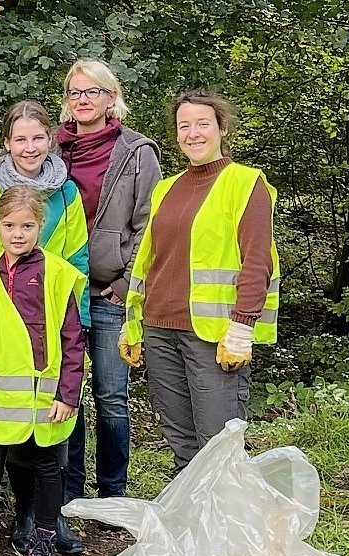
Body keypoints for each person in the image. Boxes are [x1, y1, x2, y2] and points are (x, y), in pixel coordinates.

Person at [119, 90, 279, 472]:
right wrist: (133, 325)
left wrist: (242, 327)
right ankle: (187, 528)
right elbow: (148, 262)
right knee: (181, 441)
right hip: (159, 330)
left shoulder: (245, 183)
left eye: (203, 124)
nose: (193, 133)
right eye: (184, 125)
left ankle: (225, 530)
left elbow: (257, 261)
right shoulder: (165, 189)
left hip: (213, 336)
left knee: (218, 443)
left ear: (222, 129)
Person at [0, 99, 89, 556]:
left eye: (38, 137)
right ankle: (24, 515)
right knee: (9, 438)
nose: (29, 146)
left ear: (51, 139)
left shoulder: (65, 191)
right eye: (20, 138)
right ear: (7, 143)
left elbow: (78, 253)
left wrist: (65, 307)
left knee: (54, 434)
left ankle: (52, 516)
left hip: (55, 317)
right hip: (5, 337)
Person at [0, 186, 86, 556]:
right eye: (10, 225)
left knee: (49, 468)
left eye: (27, 226)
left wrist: (69, 393)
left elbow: (72, 337)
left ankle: (43, 543)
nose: (18, 233)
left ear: (41, 226)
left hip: (45, 397)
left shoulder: (57, 273)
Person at [55, 58, 162, 504]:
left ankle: (112, 493)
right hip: (63, 292)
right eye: (76, 92)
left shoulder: (137, 152)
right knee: (68, 395)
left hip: (111, 294)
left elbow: (150, 226)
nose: (84, 100)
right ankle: (70, 490)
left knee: (111, 397)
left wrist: (122, 285)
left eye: (93, 91)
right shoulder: (53, 152)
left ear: (110, 97)